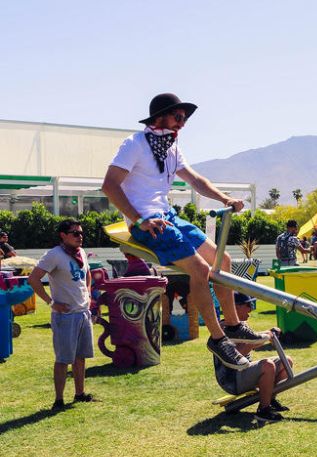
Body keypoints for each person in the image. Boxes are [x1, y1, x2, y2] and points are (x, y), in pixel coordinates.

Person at [101, 92, 266, 370]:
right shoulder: (134, 144)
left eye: (185, 118)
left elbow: (196, 180)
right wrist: (139, 220)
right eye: (178, 117)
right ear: (159, 117)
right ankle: (218, 339)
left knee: (222, 261)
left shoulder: (171, 148)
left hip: (169, 216)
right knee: (201, 271)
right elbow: (110, 185)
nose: (183, 123)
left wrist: (224, 198)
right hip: (150, 223)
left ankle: (233, 325)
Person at [27, 219, 96, 409]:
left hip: (82, 313)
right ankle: (59, 400)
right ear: (63, 235)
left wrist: (88, 294)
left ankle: (80, 393)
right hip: (65, 316)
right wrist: (51, 303)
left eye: (81, 233)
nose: (79, 237)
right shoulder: (54, 255)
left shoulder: (81, 252)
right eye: (75, 233)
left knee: (80, 357)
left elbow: (87, 273)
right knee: (63, 359)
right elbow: (33, 279)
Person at [213, 293, 293, 423]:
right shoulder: (224, 328)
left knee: (286, 361)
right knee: (267, 365)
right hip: (231, 379)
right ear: (235, 308)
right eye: (248, 305)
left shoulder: (241, 324)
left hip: (243, 372)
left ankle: (269, 399)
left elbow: (251, 342)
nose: (251, 309)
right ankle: (264, 410)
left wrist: (268, 335)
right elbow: (235, 357)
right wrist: (262, 337)